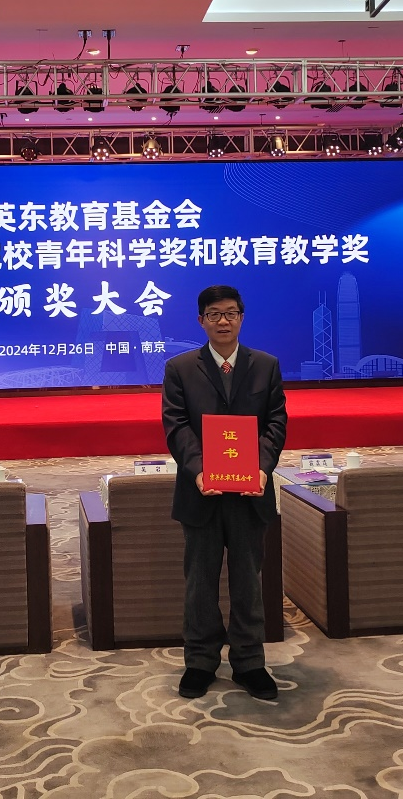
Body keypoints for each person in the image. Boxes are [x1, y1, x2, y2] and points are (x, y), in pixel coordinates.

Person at [161, 284, 287, 700]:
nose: (223, 321)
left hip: (251, 493)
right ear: (201, 321)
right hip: (201, 493)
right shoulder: (180, 368)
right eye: (214, 314)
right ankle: (200, 661)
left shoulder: (265, 365)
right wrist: (198, 471)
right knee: (199, 583)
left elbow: (276, 423)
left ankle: (250, 662)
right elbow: (177, 425)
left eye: (231, 313)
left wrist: (262, 468)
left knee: (248, 582)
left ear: (242, 318)